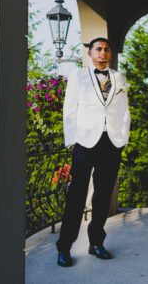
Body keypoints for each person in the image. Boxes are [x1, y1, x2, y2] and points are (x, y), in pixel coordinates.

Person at [56, 37, 131, 267]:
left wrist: (123, 140)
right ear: (90, 53)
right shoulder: (78, 76)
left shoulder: (119, 78)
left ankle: (96, 243)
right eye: (98, 49)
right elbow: (69, 110)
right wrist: (71, 141)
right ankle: (65, 248)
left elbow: (124, 112)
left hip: (112, 142)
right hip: (85, 143)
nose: (103, 53)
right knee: (76, 195)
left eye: (107, 49)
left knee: (102, 196)